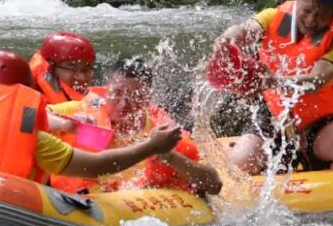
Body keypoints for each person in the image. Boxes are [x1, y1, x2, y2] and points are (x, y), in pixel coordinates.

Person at [0, 51, 182, 182]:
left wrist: (64, 125)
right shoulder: (33, 141)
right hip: (7, 213)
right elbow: (97, 166)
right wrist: (151, 147)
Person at [212, 0, 333, 174]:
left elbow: (316, 80)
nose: (311, 20)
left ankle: (328, 190)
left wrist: (273, 81)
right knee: (240, 164)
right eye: (307, 11)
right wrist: (227, 40)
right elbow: (246, 30)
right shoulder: (273, 17)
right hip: (274, 117)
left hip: (317, 122)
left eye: (320, 15)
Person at [51, 57, 223, 196]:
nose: (124, 103)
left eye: (135, 96)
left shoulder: (162, 132)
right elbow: (34, 114)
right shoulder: (84, 111)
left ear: (147, 98)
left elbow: (213, 185)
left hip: (138, 210)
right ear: (106, 89)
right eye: (117, 93)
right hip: (85, 200)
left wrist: (169, 156)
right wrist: (65, 124)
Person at [29, 31, 96, 104]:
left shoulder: (98, 99)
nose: (82, 77)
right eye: (72, 67)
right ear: (51, 68)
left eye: (85, 69)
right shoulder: (31, 98)